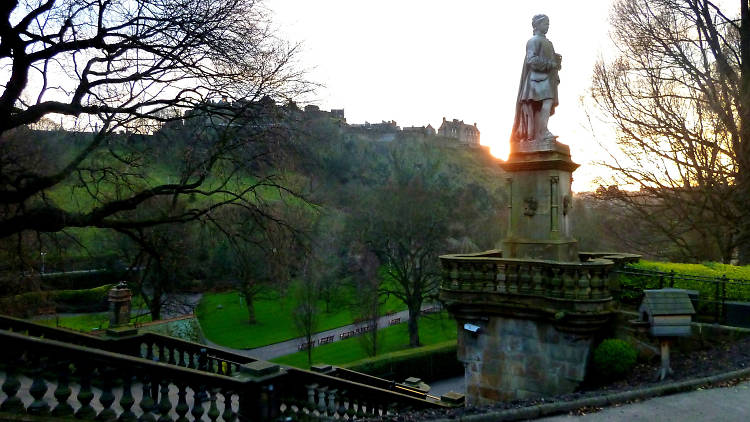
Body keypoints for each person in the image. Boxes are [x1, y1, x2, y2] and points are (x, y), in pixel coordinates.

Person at [511, 14, 562, 144]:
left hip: (546, 80)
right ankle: (542, 132)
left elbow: (550, 62)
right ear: (537, 25)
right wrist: (550, 64)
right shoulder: (533, 41)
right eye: (545, 23)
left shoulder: (548, 43)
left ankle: (541, 132)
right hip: (536, 80)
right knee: (546, 102)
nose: (548, 26)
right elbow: (531, 60)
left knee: (544, 105)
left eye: (548, 23)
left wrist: (556, 62)